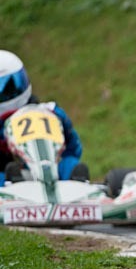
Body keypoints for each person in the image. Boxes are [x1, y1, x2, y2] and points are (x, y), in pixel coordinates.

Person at [0, 49, 84, 185]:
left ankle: (79, 186)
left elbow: (72, 147)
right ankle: (16, 186)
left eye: (11, 86)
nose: (6, 94)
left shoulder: (50, 112)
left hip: (51, 172)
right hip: (8, 180)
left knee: (71, 164)